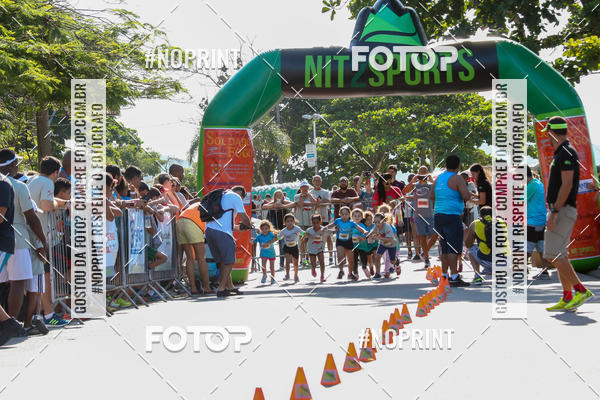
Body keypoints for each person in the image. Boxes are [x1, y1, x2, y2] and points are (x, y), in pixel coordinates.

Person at [542, 117, 593, 311]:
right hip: (561, 209)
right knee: (560, 254)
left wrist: (554, 212)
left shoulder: (566, 152)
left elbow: (567, 184)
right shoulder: (563, 152)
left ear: (551, 132)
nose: (547, 137)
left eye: (547, 133)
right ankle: (567, 297)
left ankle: (580, 290)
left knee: (552, 254)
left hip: (562, 209)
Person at [0, 149, 49, 334]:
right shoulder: (19, 187)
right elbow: (32, 219)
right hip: (18, 240)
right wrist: (43, 241)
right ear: (12, 165)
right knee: (18, 283)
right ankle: (11, 325)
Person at [27, 156, 68, 326]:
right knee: (44, 278)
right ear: (55, 172)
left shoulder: (32, 180)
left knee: (34, 278)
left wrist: (62, 202)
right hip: (39, 237)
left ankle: (35, 316)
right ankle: (48, 315)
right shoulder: (47, 182)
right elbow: (46, 205)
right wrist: (59, 205)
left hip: (28, 234)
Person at [430, 155, 472, 287]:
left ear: (446, 165)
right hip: (452, 215)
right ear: (458, 165)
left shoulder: (438, 178)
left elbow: (431, 196)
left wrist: (444, 198)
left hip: (438, 215)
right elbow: (466, 196)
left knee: (444, 246)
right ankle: (454, 276)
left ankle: (444, 275)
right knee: (453, 247)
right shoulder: (457, 178)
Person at [204, 185, 251, 297]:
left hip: (209, 230)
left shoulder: (222, 196)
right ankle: (221, 289)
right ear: (242, 196)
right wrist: (249, 225)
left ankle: (230, 286)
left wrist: (239, 227)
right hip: (222, 232)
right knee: (229, 261)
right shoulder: (236, 197)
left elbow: (224, 222)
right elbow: (243, 216)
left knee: (222, 261)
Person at [176, 199, 212, 295]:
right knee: (201, 258)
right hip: (192, 224)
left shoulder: (197, 204)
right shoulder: (211, 207)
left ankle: (193, 288)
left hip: (180, 221)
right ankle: (207, 287)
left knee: (190, 258)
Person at [404, 167, 437, 267]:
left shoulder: (430, 185)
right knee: (422, 236)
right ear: (418, 173)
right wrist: (413, 180)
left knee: (434, 236)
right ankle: (426, 258)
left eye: (424, 173)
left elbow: (438, 190)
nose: (422, 175)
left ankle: (424, 252)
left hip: (430, 215)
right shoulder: (415, 185)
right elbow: (404, 191)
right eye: (420, 173)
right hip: (418, 215)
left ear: (427, 173)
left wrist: (431, 179)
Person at [464, 206, 506, 285]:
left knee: (471, 250)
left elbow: (468, 244)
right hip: (504, 261)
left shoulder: (475, 224)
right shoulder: (502, 222)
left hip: (485, 259)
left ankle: (477, 277)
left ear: (480, 215)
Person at [326, 206, 367, 280]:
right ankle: (341, 271)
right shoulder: (338, 221)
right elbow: (331, 225)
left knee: (351, 260)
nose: (344, 216)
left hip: (349, 241)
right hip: (340, 241)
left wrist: (364, 231)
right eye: (342, 214)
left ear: (349, 215)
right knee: (340, 255)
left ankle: (350, 274)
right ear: (340, 215)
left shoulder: (351, 223)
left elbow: (359, 228)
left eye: (346, 214)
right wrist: (324, 228)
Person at [526, 166, 550, 279]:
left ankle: (519, 271)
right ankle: (545, 272)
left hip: (533, 221)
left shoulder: (531, 186)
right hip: (541, 220)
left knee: (526, 249)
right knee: (541, 248)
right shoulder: (538, 183)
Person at [262, 190, 295, 270]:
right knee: (277, 244)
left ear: (283, 196)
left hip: (285, 226)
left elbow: (293, 204)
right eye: (277, 195)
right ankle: (278, 263)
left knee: (286, 244)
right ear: (274, 196)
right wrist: (273, 205)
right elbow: (264, 206)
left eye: (280, 195)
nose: (279, 196)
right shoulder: (272, 202)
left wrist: (283, 206)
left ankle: (286, 262)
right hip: (275, 227)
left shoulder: (285, 202)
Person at [310, 175, 334, 264]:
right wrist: (317, 203)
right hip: (314, 219)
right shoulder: (310, 192)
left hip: (324, 217)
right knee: (315, 238)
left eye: (318, 180)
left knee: (328, 237)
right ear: (312, 182)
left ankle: (331, 256)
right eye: (315, 180)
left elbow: (327, 200)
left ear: (321, 181)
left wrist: (318, 202)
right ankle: (317, 257)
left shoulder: (325, 192)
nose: (317, 182)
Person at [302, 214, 331, 282]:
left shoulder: (323, 229)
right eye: (313, 223)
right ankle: (313, 269)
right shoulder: (309, 230)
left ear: (320, 222)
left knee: (322, 262)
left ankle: (322, 276)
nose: (315, 224)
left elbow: (330, 234)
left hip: (320, 248)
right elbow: (304, 239)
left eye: (317, 222)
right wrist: (305, 237)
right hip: (311, 249)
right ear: (311, 223)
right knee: (313, 263)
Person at [371, 212, 400, 278]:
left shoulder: (387, 227)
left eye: (378, 222)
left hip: (391, 244)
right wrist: (368, 234)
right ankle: (377, 273)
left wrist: (379, 238)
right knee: (377, 256)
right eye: (375, 222)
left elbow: (390, 239)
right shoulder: (376, 226)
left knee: (392, 261)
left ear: (383, 221)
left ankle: (396, 260)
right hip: (382, 244)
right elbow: (372, 231)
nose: (377, 224)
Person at [278, 213, 304, 283]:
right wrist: (272, 239)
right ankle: (287, 274)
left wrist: (305, 235)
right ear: (285, 223)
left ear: (294, 221)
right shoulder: (283, 231)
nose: (290, 223)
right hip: (287, 247)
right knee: (287, 261)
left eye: (291, 221)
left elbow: (303, 233)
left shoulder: (297, 228)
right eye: (287, 221)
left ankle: (296, 275)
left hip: (294, 247)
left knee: (295, 263)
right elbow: (278, 237)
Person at [253, 220, 278, 284]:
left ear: (269, 229)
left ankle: (273, 277)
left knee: (272, 267)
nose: (264, 230)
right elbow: (254, 241)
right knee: (263, 266)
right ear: (261, 229)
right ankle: (264, 275)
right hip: (263, 253)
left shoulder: (270, 234)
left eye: (266, 228)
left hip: (271, 253)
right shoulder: (259, 236)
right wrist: (251, 240)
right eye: (263, 229)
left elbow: (277, 238)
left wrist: (275, 237)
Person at [354, 211, 377, 278]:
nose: (369, 221)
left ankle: (377, 270)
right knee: (369, 259)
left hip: (374, 244)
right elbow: (362, 234)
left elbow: (377, 231)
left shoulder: (374, 225)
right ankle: (371, 267)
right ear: (364, 220)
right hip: (366, 246)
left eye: (370, 219)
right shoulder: (363, 227)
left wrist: (375, 234)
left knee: (375, 255)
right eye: (367, 219)